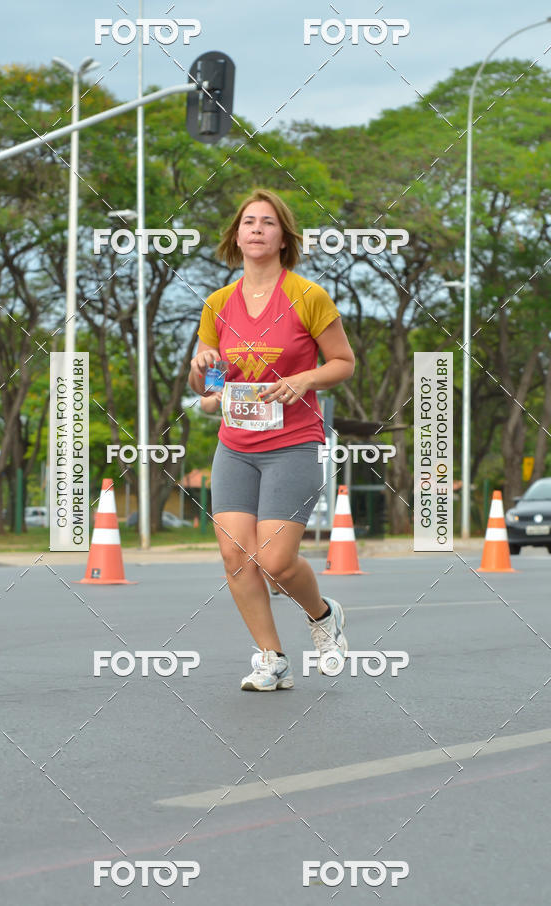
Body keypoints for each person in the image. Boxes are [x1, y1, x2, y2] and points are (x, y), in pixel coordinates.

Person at [189, 189, 355, 691]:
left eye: (267, 222)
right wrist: (204, 378)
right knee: (236, 556)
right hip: (235, 446)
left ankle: (323, 616)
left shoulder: (308, 296)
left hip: (293, 443)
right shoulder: (218, 303)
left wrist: (306, 380)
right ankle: (271, 658)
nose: (256, 229)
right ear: (236, 236)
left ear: (283, 237)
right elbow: (209, 385)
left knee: (276, 561)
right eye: (248, 222)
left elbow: (343, 363)